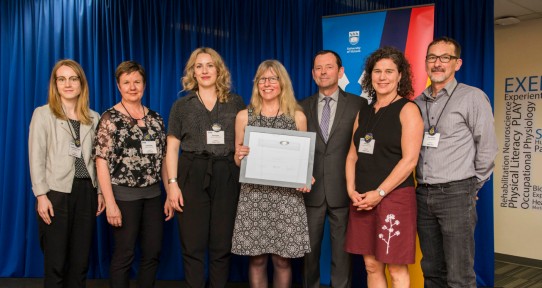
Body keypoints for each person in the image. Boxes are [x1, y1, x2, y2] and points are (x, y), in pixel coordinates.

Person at [414, 37, 498, 288]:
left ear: (457, 63)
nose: (437, 63)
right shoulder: (417, 103)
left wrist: (472, 187)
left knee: (459, 274)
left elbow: (487, 147)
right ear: (426, 62)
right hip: (423, 194)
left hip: (456, 192)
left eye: (445, 58)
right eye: (432, 57)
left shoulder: (472, 97)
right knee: (431, 270)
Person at [344, 47, 424, 287]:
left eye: (389, 71)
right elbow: (351, 156)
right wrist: (351, 190)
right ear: (370, 76)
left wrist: (379, 193)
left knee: (396, 267)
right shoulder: (364, 112)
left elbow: (409, 160)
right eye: (377, 71)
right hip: (362, 199)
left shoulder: (408, 109)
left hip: (394, 198)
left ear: (400, 76)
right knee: (371, 265)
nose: (382, 77)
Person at [166, 47, 245, 287]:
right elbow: (171, 148)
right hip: (192, 172)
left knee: (221, 246)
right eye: (199, 66)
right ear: (192, 72)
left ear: (219, 69)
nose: (204, 70)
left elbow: (244, 143)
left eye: (210, 65)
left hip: (226, 172)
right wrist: (172, 185)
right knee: (193, 245)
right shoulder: (181, 105)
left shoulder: (236, 102)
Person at [232, 60, 311, 288]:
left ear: (282, 83)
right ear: (257, 84)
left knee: (282, 260)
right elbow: (238, 161)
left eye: (272, 79)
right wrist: (240, 154)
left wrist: (306, 177)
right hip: (254, 197)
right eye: (262, 79)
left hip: (286, 199)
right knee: (256, 259)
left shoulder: (297, 117)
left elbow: (303, 160)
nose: (267, 84)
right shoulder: (243, 117)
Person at [95, 61, 172, 288]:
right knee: (124, 255)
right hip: (123, 198)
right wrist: (110, 203)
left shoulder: (156, 119)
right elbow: (101, 162)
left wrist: (168, 194)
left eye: (137, 82)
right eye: (126, 82)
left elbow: (164, 158)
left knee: (152, 253)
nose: (132, 87)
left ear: (144, 85)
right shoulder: (109, 119)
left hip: (153, 196)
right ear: (119, 86)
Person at [29, 59, 104, 288]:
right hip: (56, 193)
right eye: (62, 79)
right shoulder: (43, 115)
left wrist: (100, 192)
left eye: (73, 79)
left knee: (80, 260)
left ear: (81, 84)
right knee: (56, 261)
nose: (68, 84)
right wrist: (41, 195)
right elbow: (36, 157)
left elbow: (98, 160)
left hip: (86, 192)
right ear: (55, 84)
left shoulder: (94, 117)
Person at [300, 50, 361, 288]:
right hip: (309, 189)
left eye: (329, 67)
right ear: (313, 74)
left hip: (344, 190)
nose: (323, 72)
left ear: (341, 71)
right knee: (309, 252)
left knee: (343, 254)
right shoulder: (300, 106)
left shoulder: (359, 104)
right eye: (318, 68)